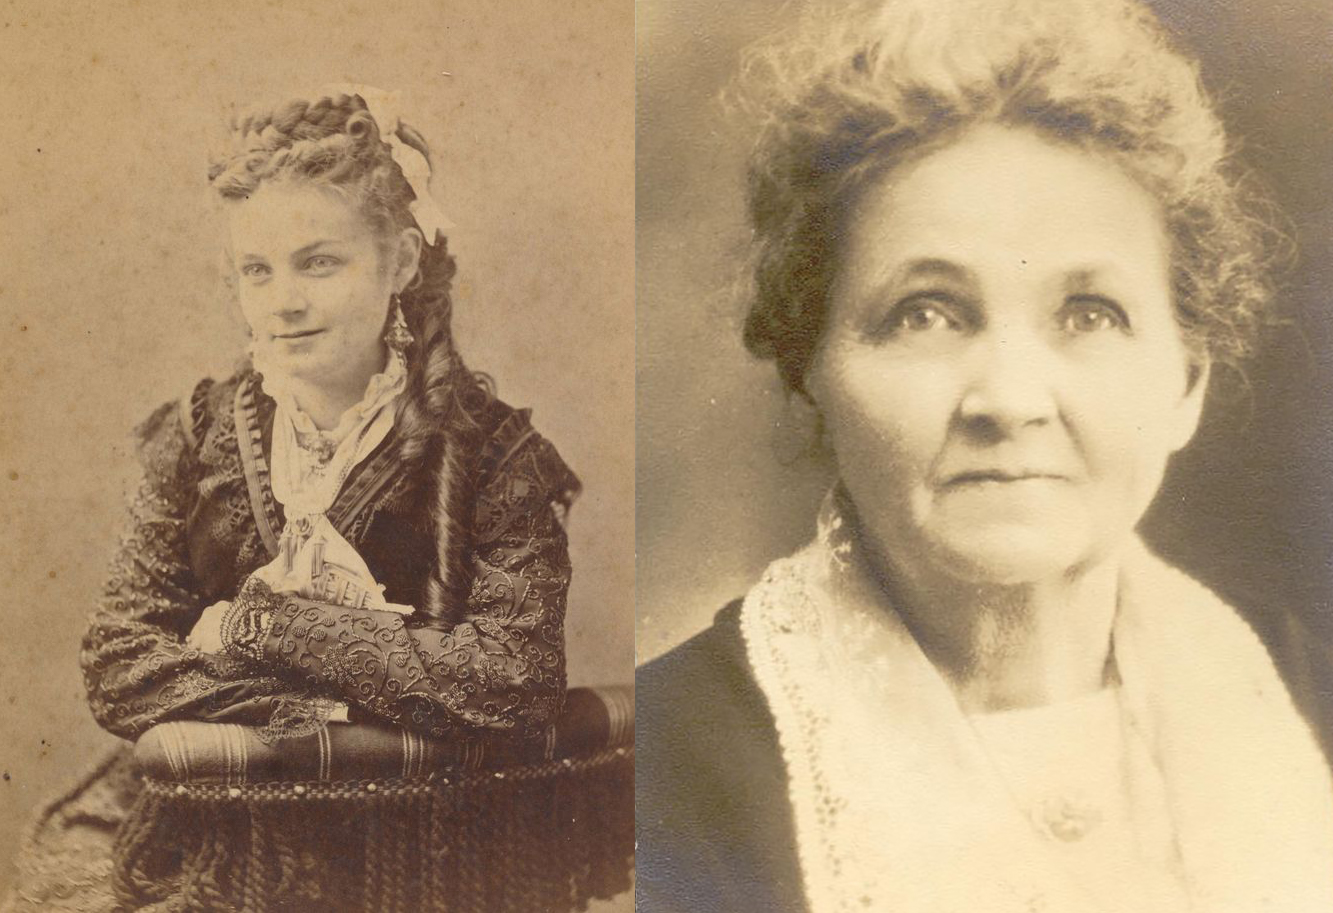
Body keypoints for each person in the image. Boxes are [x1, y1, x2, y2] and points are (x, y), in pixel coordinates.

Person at [636, 1, 1333, 910]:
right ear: (808, 373)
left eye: (1090, 313)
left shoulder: (1300, 693)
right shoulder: (659, 772)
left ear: (1185, 384)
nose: (1007, 399)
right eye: (925, 313)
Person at [4, 90, 580, 911]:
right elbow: (120, 660)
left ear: (401, 263)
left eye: (319, 261)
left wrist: (261, 626)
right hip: (206, 827)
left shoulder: (492, 457)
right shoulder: (198, 435)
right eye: (257, 270)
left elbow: (513, 679)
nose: (285, 301)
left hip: (415, 846)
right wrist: (317, 705)